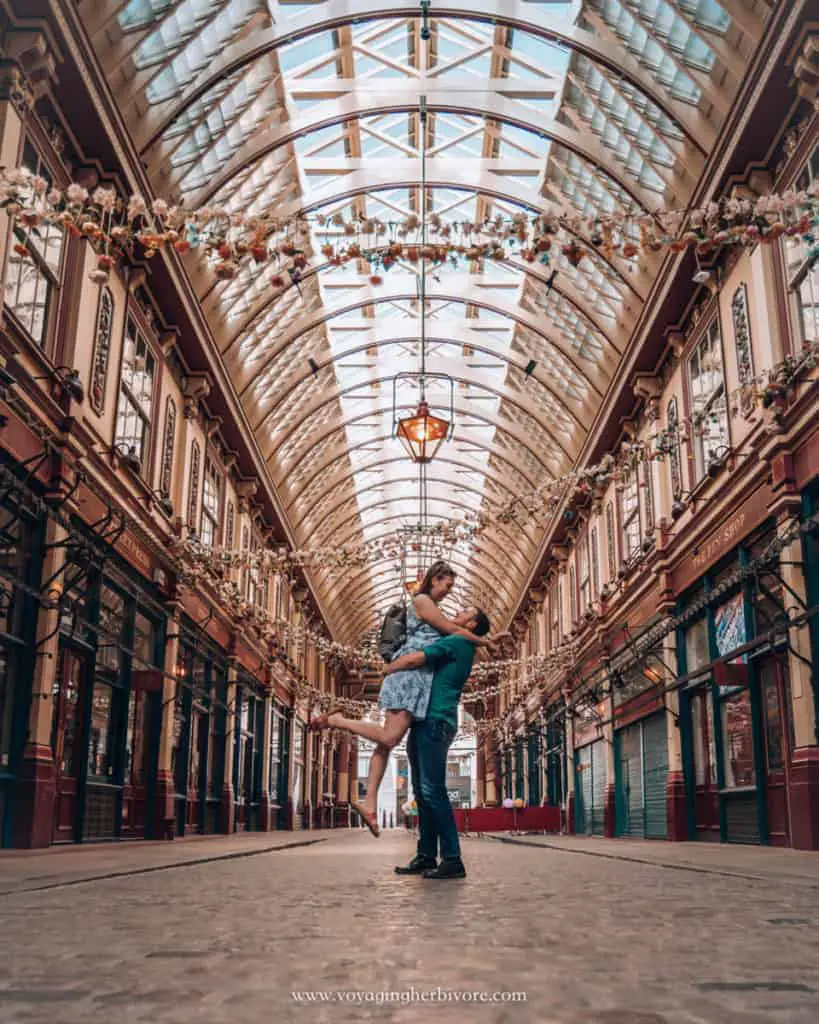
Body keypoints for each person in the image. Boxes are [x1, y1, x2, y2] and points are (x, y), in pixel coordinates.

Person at [312, 561, 501, 836]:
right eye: (447, 585)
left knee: (385, 744)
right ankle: (338, 720)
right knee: (390, 737)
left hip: (418, 679)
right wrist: (484, 641)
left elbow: (454, 629)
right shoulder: (423, 600)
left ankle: (370, 804)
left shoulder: (437, 608)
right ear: (435, 579)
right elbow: (451, 630)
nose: (449, 592)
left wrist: (485, 637)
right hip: (408, 674)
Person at [391, 605, 491, 879]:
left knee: (433, 790)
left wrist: (390, 667)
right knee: (422, 792)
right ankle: (426, 855)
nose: (457, 612)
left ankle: (452, 858)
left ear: (470, 624)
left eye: (464, 612)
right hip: (426, 721)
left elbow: (416, 659)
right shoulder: (461, 639)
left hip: (436, 719)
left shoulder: (458, 642)